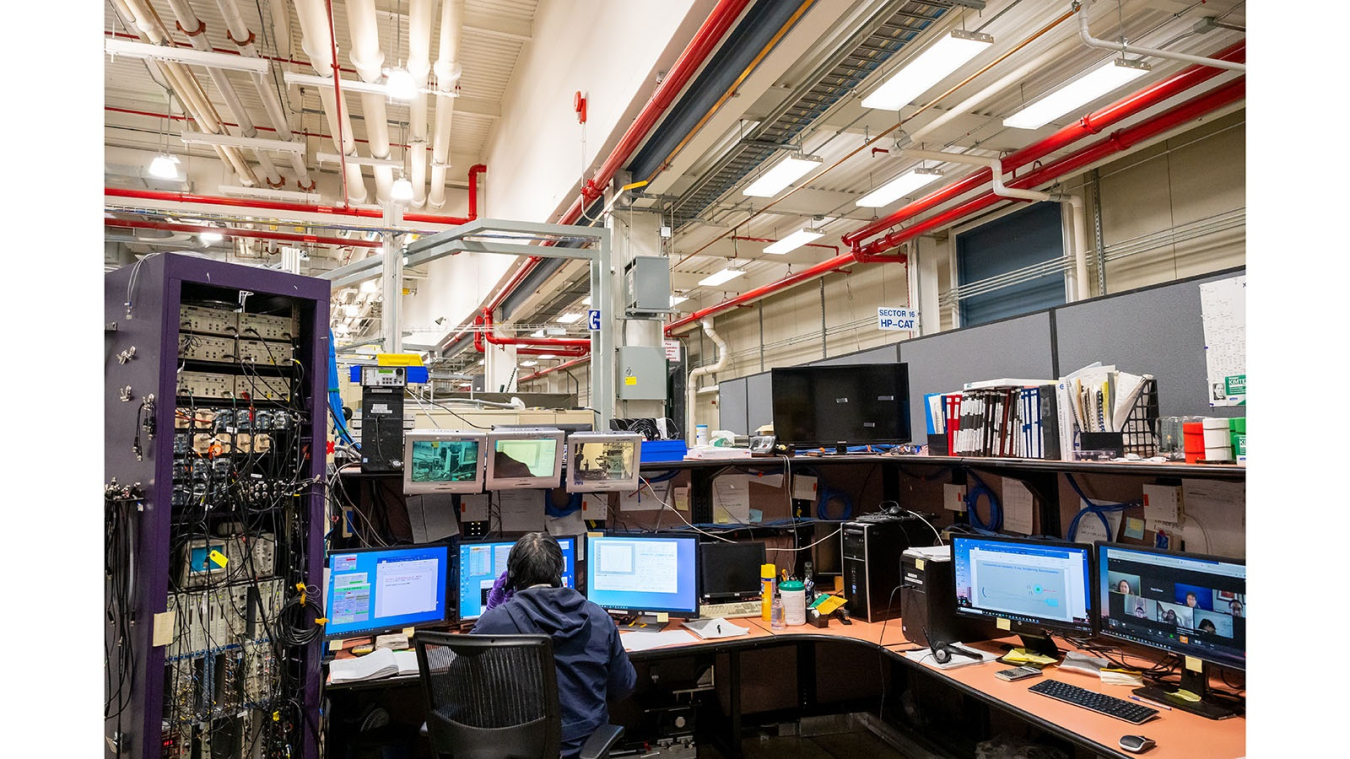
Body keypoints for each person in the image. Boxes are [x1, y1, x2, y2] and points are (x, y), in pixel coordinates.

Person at [472, 533, 637, 759]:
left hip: (518, 751)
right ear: (559, 573)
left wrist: (490, 615)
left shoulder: (494, 623)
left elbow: (458, 683)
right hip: (585, 749)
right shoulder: (598, 618)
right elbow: (623, 687)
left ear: (512, 577)